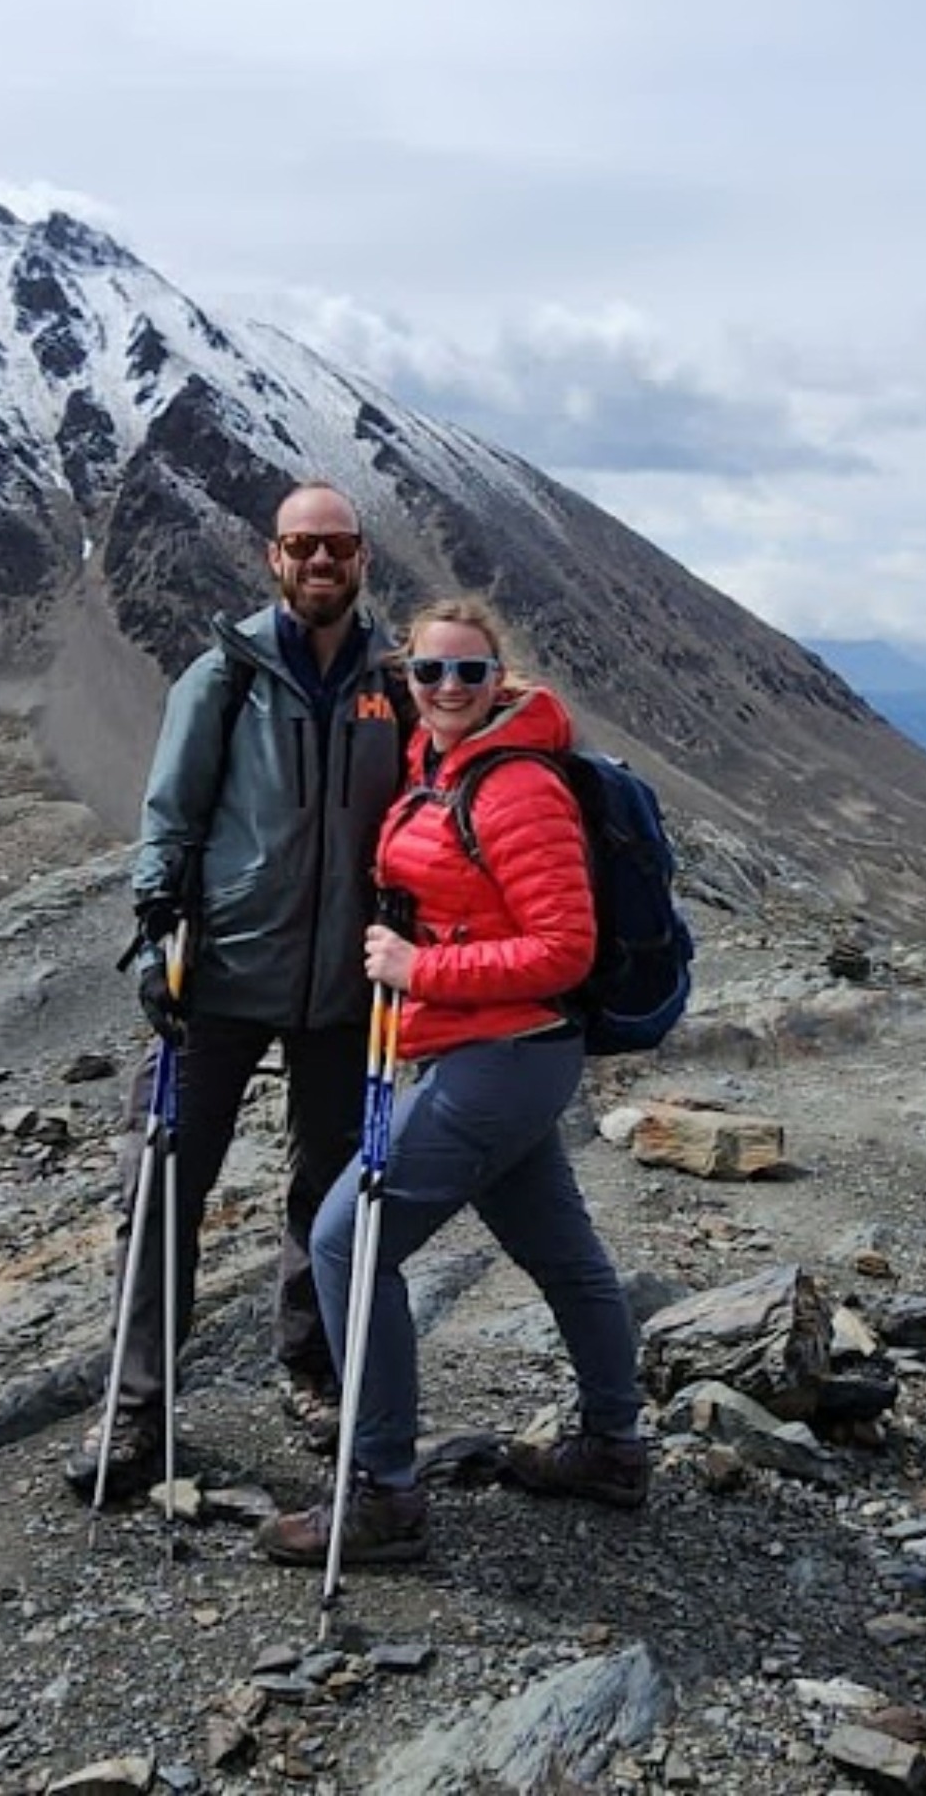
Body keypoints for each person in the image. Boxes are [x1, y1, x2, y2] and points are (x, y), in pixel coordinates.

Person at [256, 598, 650, 1568]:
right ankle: (614, 1447)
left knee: (348, 1241)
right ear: (408, 675)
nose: (446, 689)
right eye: (428, 672)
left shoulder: (517, 786)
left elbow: (564, 948)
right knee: (560, 1251)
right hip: (486, 1054)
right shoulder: (439, 764)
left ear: (497, 678)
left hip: (503, 1056)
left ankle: (383, 1492)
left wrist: (417, 970)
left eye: (468, 673)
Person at [64, 480, 409, 1503]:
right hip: (220, 976)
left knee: (327, 1193)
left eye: (337, 546)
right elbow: (171, 811)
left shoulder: (394, 681)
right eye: (301, 545)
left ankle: (310, 1370)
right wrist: (155, 923)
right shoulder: (226, 674)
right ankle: (135, 1407)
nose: (319, 562)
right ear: (273, 558)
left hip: (344, 987)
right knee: (165, 1182)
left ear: (360, 560)